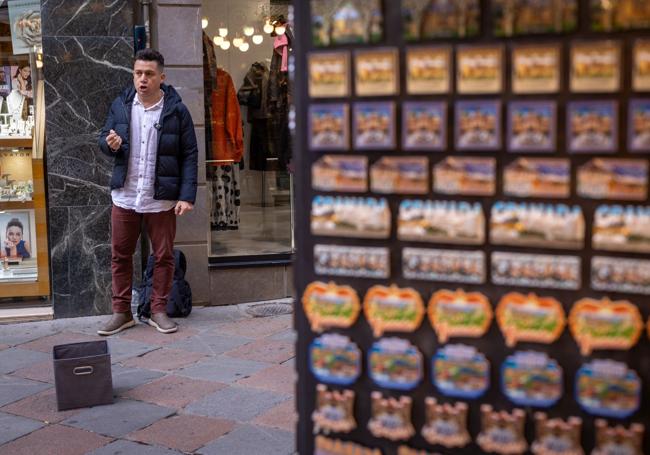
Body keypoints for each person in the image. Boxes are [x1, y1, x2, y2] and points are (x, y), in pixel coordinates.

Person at [97, 49, 197, 336]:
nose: (142, 79)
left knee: (164, 256)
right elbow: (103, 139)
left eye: (149, 74)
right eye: (138, 73)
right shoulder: (121, 105)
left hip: (161, 196)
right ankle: (121, 312)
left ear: (161, 77)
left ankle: (158, 310)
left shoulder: (176, 110)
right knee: (120, 255)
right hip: (126, 195)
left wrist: (186, 196)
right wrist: (110, 144)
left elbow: (190, 153)